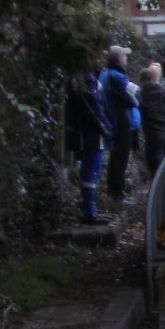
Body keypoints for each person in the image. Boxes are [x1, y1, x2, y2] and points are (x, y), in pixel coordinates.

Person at [64, 71, 113, 224]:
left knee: (90, 172)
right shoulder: (85, 79)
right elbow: (93, 108)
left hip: (86, 134)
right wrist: (104, 126)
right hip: (90, 135)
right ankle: (89, 212)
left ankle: (90, 209)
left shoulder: (77, 78)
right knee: (91, 172)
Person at [98, 45, 141, 200]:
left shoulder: (105, 73)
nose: (126, 58)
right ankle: (117, 192)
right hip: (120, 122)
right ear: (118, 58)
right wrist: (136, 101)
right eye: (124, 56)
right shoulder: (117, 76)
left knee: (117, 157)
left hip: (113, 120)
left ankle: (115, 190)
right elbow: (134, 96)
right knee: (120, 157)